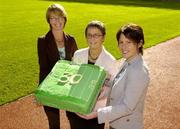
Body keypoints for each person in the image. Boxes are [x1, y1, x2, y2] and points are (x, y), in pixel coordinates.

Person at [96, 23, 150, 129]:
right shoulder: (129, 60)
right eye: (121, 42)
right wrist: (105, 79)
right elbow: (121, 82)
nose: (123, 47)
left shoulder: (138, 71)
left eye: (128, 42)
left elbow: (127, 107)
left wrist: (97, 114)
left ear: (139, 43)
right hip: (118, 123)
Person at [66, 20, 116, 129]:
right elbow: (72, 79)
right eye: (89, 35)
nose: (92, 38)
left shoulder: (110, 60)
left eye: (96, 35)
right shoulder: (78, 54)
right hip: (76, 109)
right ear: (86, 37)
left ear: (103, 38)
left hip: (95, 113)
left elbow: (112, 88)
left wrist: (106, 79)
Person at [37, 4, 78, 129]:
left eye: (60, 17)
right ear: (48, 21)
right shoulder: (43, 41)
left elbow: (77, 63)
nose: (57, 21)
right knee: (54, 123)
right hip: (51, 87)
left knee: (74, 119)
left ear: (65, 19)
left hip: (69, 86)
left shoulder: (71, 40)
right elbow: (43, 67)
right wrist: (41, 92)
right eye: (53, 18)